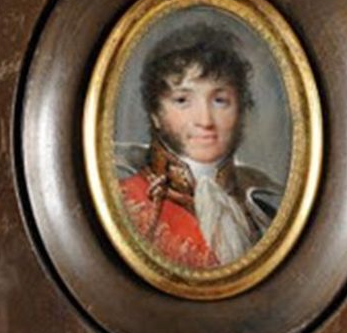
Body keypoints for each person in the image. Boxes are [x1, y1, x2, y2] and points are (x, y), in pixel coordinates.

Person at [117, 23, 282, 270]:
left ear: (240, 109)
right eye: (182, 100)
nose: (205, 120)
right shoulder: (127, 206)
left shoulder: (265, 210)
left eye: (220, 100)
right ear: (155, 114)